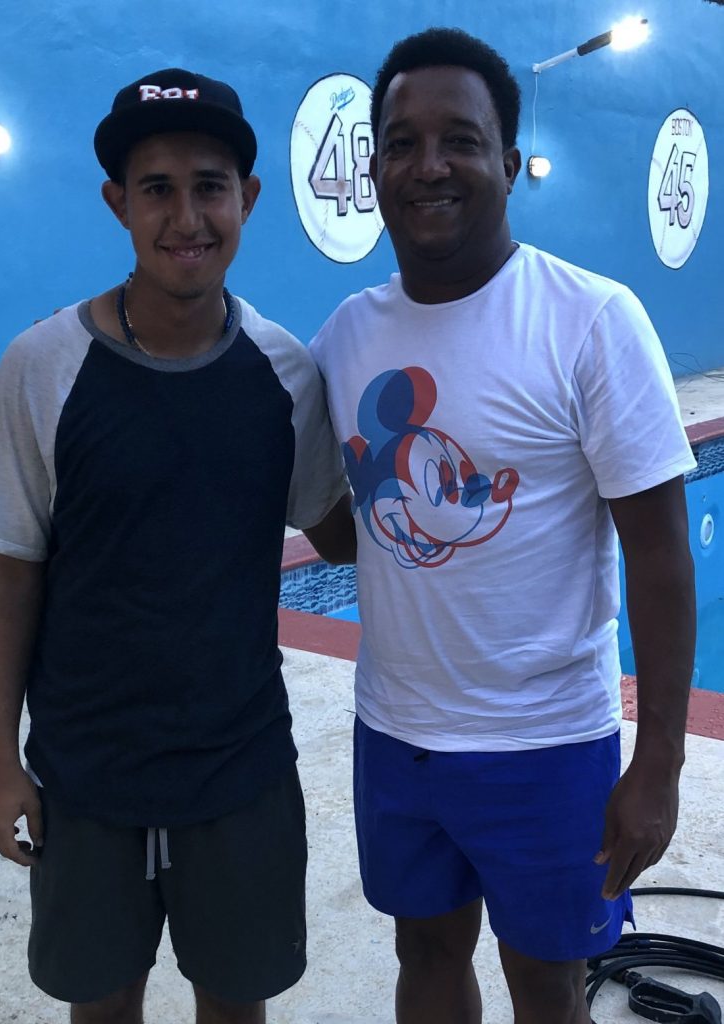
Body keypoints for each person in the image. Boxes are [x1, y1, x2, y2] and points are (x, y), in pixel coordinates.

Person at [310, 28, 697, 1024]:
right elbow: (341, 523)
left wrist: (656, 760)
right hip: (394, 732)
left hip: (545, 743)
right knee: (424, 953)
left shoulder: (590, 320)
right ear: (374, 168)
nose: (427, 164)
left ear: (510, 162)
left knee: (546, 981)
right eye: (400, 141)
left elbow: (657, 558)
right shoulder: (348, 334)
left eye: (460, 139)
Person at [0, 68, 353, 1024]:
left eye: (210, 185)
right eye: (157, 189)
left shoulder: (286, 374)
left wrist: (469, 482)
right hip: (87, 770)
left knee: (238, 1004)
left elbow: (339, 531)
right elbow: (14, 567)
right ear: (118, 205)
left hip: (240, 767)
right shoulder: (41, 368)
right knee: (101, 1007)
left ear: (249, 199)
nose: (187, 216)